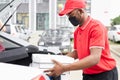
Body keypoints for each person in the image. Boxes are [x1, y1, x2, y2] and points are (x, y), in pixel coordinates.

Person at [44, 0, 118, 80]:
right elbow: (77, 53)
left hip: (104, 74)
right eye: (67, 15)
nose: (69, 18)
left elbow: (94, 58)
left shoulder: (96, 27)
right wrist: (59, 60)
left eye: (70, 14)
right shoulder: (77, 31)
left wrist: (65, 68)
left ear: (80, 10)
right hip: (88, 74)